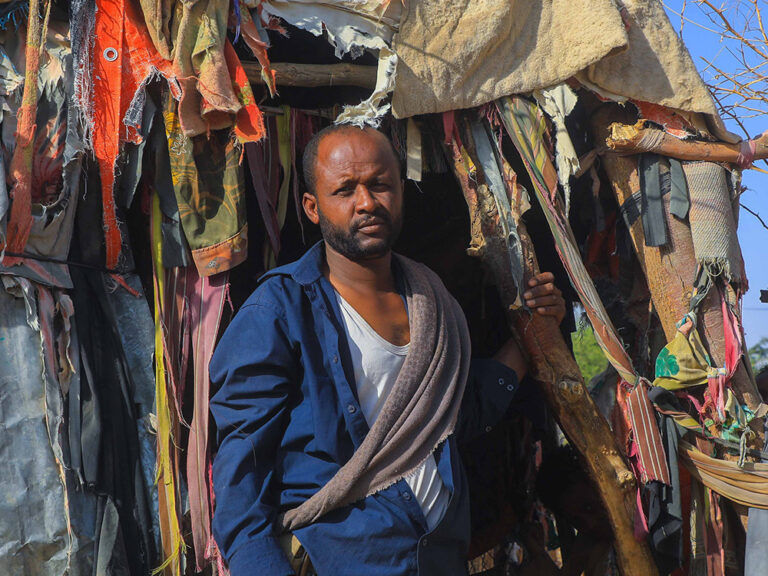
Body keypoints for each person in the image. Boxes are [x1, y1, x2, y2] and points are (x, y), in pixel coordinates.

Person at [209, 125, 566, 576]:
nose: (366, 202)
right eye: (345, 190)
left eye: (379, 184)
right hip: (342, 560)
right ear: (313, 208)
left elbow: (457, 415)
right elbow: (241, 483)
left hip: (437, 559)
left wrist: (532, 333)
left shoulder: (432, 301)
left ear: (401, 190)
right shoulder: (278, 313)